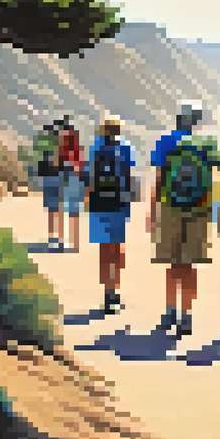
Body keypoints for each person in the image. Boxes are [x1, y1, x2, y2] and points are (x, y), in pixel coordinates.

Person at [148, 100, 220, 336]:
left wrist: (153, 210)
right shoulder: (207, 143)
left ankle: (170, 311)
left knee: (173, 262)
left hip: (170, 206)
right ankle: (187, 315)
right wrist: (217, 210)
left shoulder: (165, 140)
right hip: (199, 208)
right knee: (190, 264)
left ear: (178, 119)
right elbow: (218, 177)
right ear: (196, 122)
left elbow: (159, 177)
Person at [87, 117, 137, 314]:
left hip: (99, 204)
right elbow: (131, 177)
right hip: (119, 204)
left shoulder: (95, 148)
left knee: (104, 250)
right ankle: (115, 290)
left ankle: (107, 294)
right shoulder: (126, 148)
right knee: (117, 249)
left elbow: (89, 179)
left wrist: (89, 201)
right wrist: (132, 198)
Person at [32, 117, 68, 250]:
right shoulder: (59, 143)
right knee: (59, 209)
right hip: (57, 178)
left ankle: (53, 239)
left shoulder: (46, 143)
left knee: (52, 211)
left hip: (49, 177)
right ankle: (60, 239)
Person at [57, 116, 86, 253]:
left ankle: (62, 240)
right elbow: (81, 165)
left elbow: (61, 159)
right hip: (75, 176)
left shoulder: (64, 142)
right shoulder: (77, 145)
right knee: (73, 212)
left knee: (62, 209)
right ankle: (75, 243)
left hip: (67, 174)